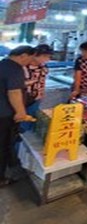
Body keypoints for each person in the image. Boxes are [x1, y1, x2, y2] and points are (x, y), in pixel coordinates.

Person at [0, 45, 35, 186]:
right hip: (5, 115)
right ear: (23, 55)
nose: (30, 62)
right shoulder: (15, 68)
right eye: (30, 59)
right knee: (3, 146)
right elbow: (14, 92)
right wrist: (21, 112)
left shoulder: (3, 64)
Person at [21, 44, 54, 132]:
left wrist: (41, 93)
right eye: (45, 56)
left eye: (49, 57)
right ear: (35, 54)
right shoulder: (23, 67)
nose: (47, 59)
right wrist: (29, 83)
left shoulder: (44, 67)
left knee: (32, 118)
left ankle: (27, 133)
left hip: (37, 98)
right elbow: (14, 85)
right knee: (21, 119)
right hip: (22, 98)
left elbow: (43, 80)